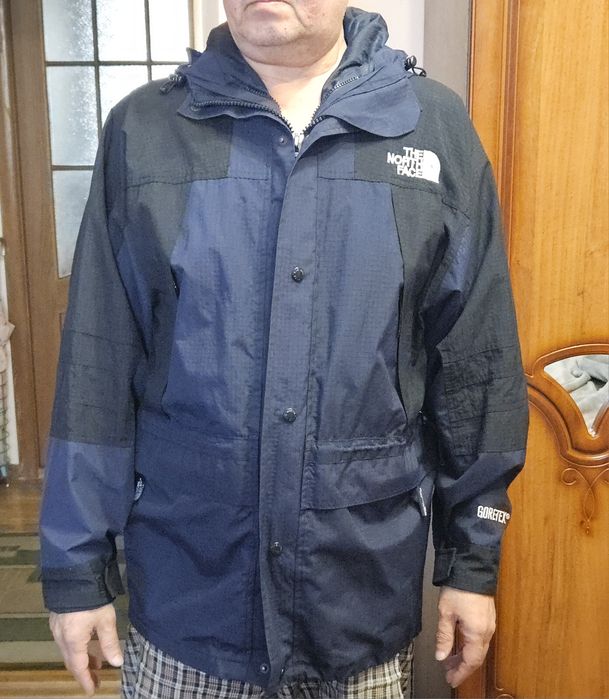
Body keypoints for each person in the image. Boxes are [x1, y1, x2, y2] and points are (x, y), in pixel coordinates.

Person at [39, 2, 529, 697]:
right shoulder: (144, 130)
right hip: (189, 597)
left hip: (356, 599)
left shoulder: (432, 128)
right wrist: (74, 569)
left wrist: (471, 565)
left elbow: (477, 369)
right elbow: (97, 363)